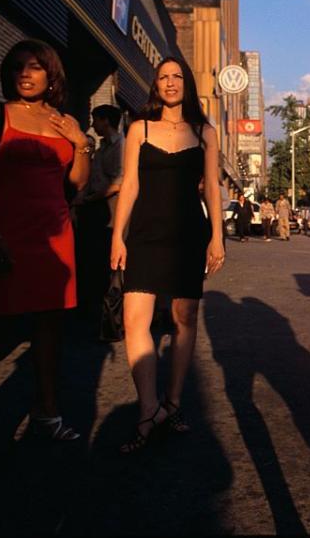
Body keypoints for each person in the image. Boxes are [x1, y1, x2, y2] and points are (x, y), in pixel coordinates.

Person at [0, 39, 91, 442]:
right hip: (6, 232)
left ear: (51, 74)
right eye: (18, 65)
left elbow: (75, 185)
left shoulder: (63, 121)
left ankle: (47, 412)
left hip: (55, 237)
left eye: (36, 66)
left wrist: (81, 144)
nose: (25, 72)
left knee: (49, 332)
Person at [110, 56, 225, 453]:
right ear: (155, 85)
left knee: (183, 319)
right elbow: (129, 185)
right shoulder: (139, 127)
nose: (170, 82)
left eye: (177, 76)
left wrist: (217, 237)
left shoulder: (205, 132)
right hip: (143, 235)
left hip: (188, 235)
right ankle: (148, 408)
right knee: (133, 320)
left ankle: (173, 403)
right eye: (163, 77)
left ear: (187, 84)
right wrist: (117, 236)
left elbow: (211, 186)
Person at [74, 104, 124, 323]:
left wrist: (91, 198)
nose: (93, 124)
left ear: (106, 121)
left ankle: (113, 316)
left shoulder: (120, 146)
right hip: (95, 210)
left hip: (112, 210)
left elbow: (120, 182)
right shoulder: (102, 147)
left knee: (111, 264)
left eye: (96, 119)